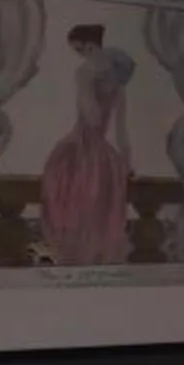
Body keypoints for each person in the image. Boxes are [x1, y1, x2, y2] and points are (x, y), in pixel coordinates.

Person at [39, 22, 136, 266]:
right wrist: (127, 163)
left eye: (81, 50)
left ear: (92, 47)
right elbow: (121, 132)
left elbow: (92, 117)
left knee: (69, 192)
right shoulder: (118, 86)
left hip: (81, 148)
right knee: (93, 211)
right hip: (104, 155)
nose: (81, 56)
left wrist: (84, 84)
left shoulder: (84, 74)